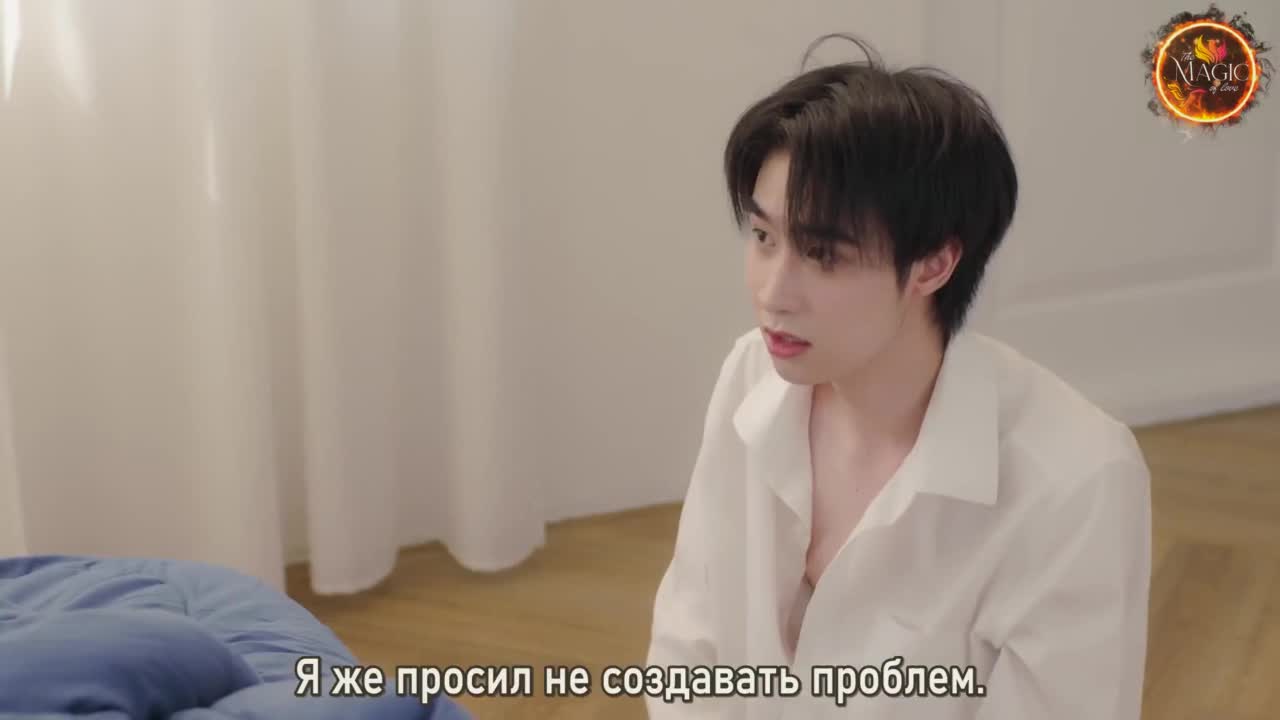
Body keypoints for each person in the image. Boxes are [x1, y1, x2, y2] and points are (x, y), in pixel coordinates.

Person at [645, 33, 1151, 719]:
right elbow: (688, 648)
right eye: (764, 238)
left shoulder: (1076, 480)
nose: (773, 292)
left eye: (823, 253)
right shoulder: (751, 376)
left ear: (934, 265)